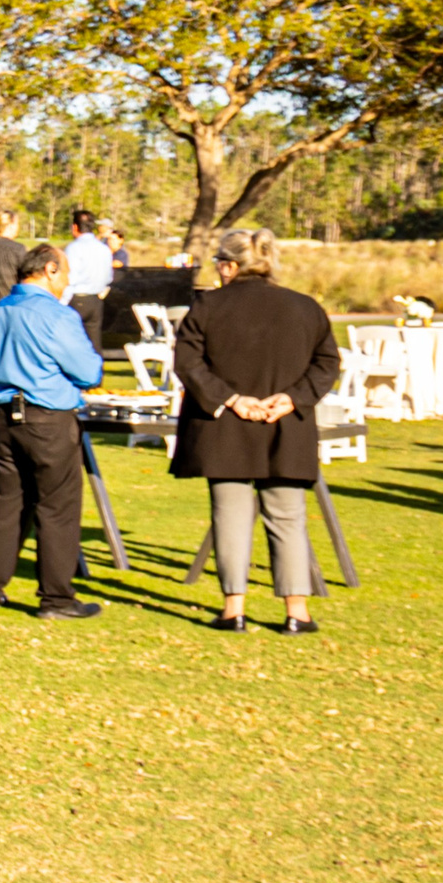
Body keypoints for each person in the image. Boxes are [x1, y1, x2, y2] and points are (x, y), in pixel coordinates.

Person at [172, 226, 340, 633]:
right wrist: (292, 398)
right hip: (286, 424)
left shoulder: (207, 307)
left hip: (225, 427)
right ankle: (296, 613)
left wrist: (232, 399)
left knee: (229, 515)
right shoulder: (305, 307)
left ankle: (234, 610)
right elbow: (328, 362)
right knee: (288, 518)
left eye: (217, 264)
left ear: (229, 266)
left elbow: (188, 364)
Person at [0, 241, 104, 617]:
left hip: (4, 418)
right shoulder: (56, 316)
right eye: (66, 276)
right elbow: (88, 371)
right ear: (49, 270)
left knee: (6, 502)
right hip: (47, 417)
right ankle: (57, 598)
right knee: (57, 507)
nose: (67, 286)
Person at [63, 208, 112, 352]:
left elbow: (69, 278)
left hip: (76, 299)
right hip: (95, 300)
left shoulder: (74, 248)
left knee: (72, 344)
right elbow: (108, 277)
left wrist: (62, 302)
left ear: (75, 227)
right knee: (94, 344)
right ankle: (96, 373)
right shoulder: (103, 248)